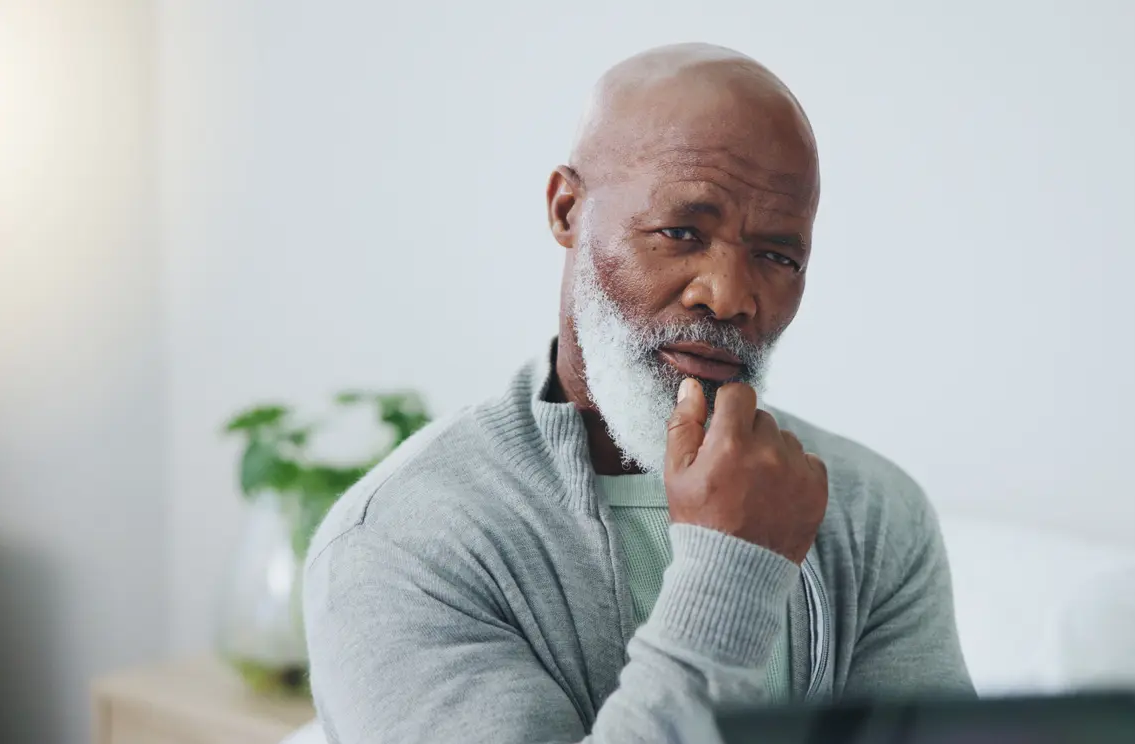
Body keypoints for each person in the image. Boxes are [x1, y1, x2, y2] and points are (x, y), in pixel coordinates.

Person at [303, 42, 973, 743]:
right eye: (681, 231)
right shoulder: (404, 543)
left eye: (777, 255)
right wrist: (731, 572)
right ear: (567, 209)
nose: (729, 295)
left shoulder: (869, 508)